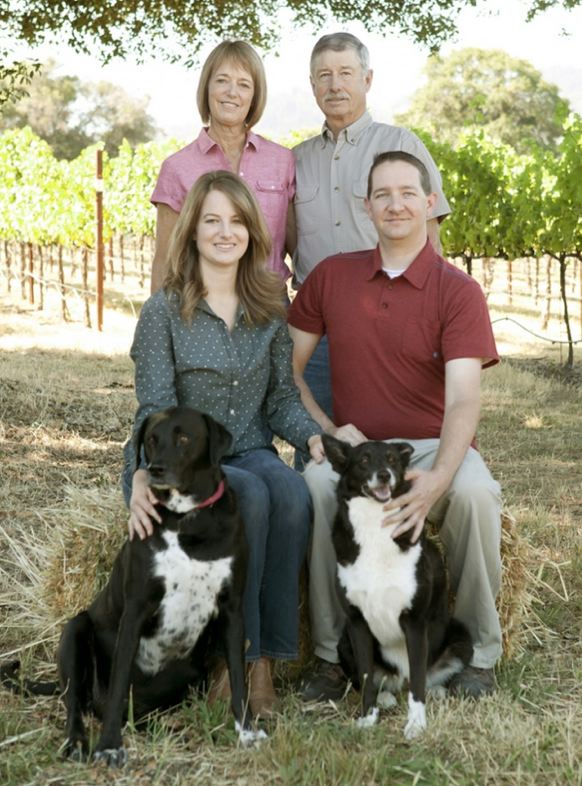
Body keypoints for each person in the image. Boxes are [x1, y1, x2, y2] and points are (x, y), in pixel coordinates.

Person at [288, 151, 503, 702]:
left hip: (431, 446)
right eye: (382, 194)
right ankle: (332, 656)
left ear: (429, 203)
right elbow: (287, 372)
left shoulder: (458, 290)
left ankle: (478, 654)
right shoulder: (332, 276)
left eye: (408, 192)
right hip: (359, 453)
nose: (395, 204)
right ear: (367, 206)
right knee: (315, 485)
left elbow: (463, 401)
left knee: (476, 494)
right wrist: (330, 430)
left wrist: (438, 480)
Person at [123, 170, 323, 716]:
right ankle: (234, 657)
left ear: (252, 232)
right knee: (250, 496)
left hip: (252, 449)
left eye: (236, 221)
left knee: (291, 492)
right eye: (211, 220)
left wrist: (315, 436)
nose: (224, 232)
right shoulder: (164, 311)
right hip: (190, 464)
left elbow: (281, 401)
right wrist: (140, 473)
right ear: (191, 230)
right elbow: (153, 411)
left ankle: (269, 660)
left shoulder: (269, 309)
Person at [288, 32, 451, 453]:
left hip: (391, 320)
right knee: (320, 452)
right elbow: (285, 241)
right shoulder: (296, 160)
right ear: (312, 84)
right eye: (324, 75)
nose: (335, 85)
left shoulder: (401, 145)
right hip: (316, 331)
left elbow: (432, 242)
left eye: (346, 73)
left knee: (397, 446)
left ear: (367, 79)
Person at [150, 40, 295, 293]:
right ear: (207, 87)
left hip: (270, 306)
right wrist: (157, 317)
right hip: (200, 306)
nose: (232, 92)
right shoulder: (177, 168)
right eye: (222, 80)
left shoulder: (282, 161)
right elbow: (165, 261)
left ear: (255, 95)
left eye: (244, 84)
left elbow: (299, 247)